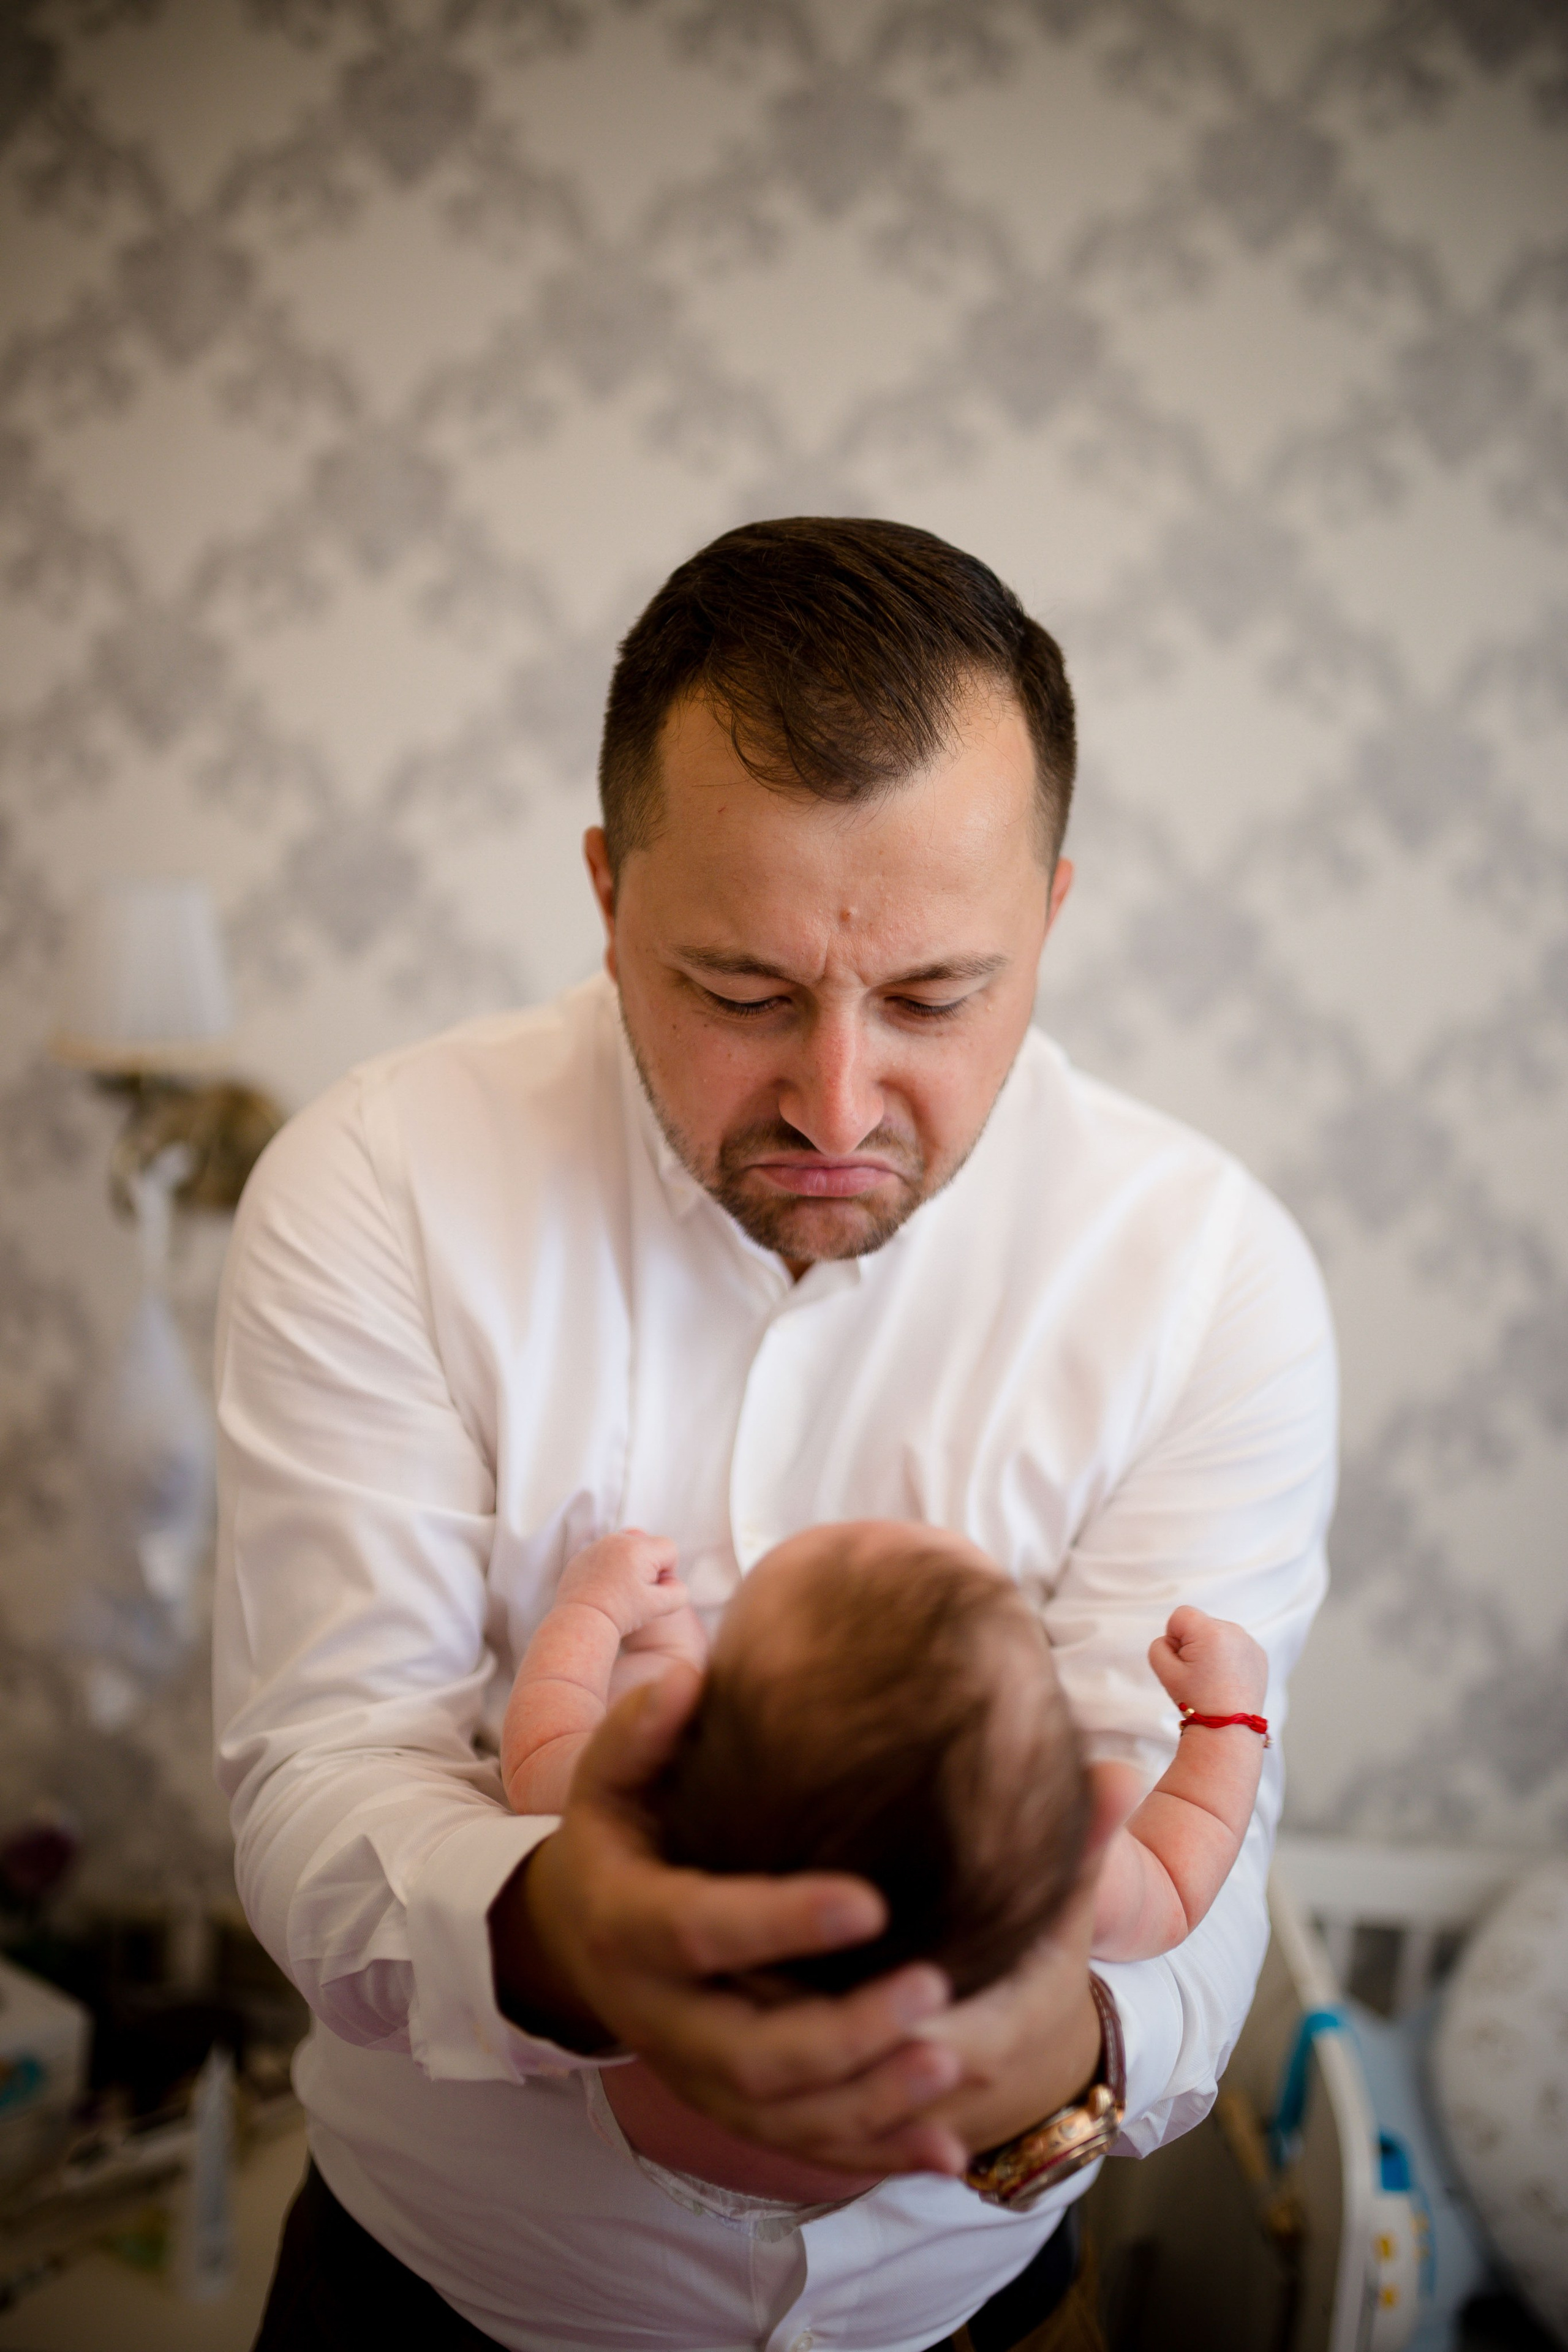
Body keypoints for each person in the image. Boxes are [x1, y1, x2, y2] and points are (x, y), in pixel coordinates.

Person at [221, 517, 1336, 2352]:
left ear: (1048, 918)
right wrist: (566, 1935)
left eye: (933, 996)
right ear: (607, 895)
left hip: (977, 2314)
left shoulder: (1208, 1274)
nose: (834, 1100)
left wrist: (1031, 2063)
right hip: (425, 2307)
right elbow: (324, 1769)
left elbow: (1181, 1859)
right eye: (739, 992)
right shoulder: (381, 1182)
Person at [500, 1521, 1269, 2207]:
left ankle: (669, 1658)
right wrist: (1226, 1723)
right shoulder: (1040, 1846)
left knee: (639, 1702)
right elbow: (1177, 1878)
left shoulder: (672, 1813)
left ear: (702, 1726)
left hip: (638, 2155)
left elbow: (542, 1755)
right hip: (914, 2171)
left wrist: (591, 1611)